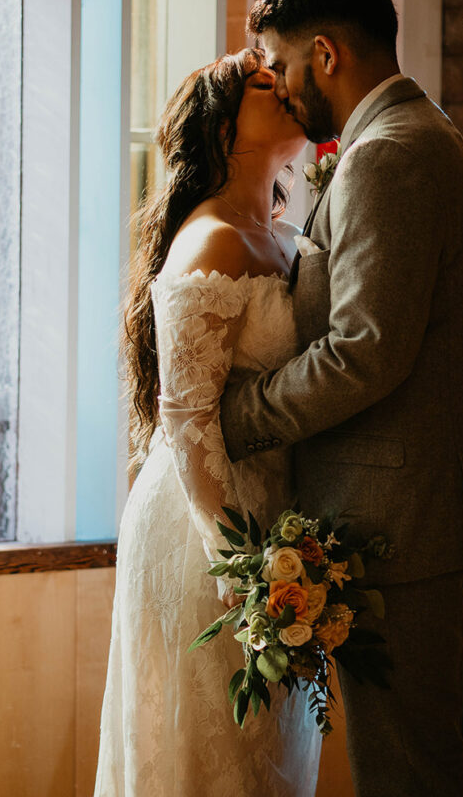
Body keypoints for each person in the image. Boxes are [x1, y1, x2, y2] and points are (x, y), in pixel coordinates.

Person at [219, 0, 463, 797]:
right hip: (429, 511)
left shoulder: (389, 156)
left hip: (404, 522)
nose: (279, 88)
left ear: (325, 53)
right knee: (440, 752)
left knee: (409, 770)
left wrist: (242, 414)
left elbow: (364, 349)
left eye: (280, 66)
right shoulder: (417, 136)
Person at [93, 49, 322, 797]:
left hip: (272, 521)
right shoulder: (212, 238)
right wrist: (245, 571)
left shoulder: (283, 237)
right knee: (210, 756)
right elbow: (186, 420)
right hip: (207, 535)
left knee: (268, 759)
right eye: (262, 84)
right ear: (223, 130)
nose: (283, 87)